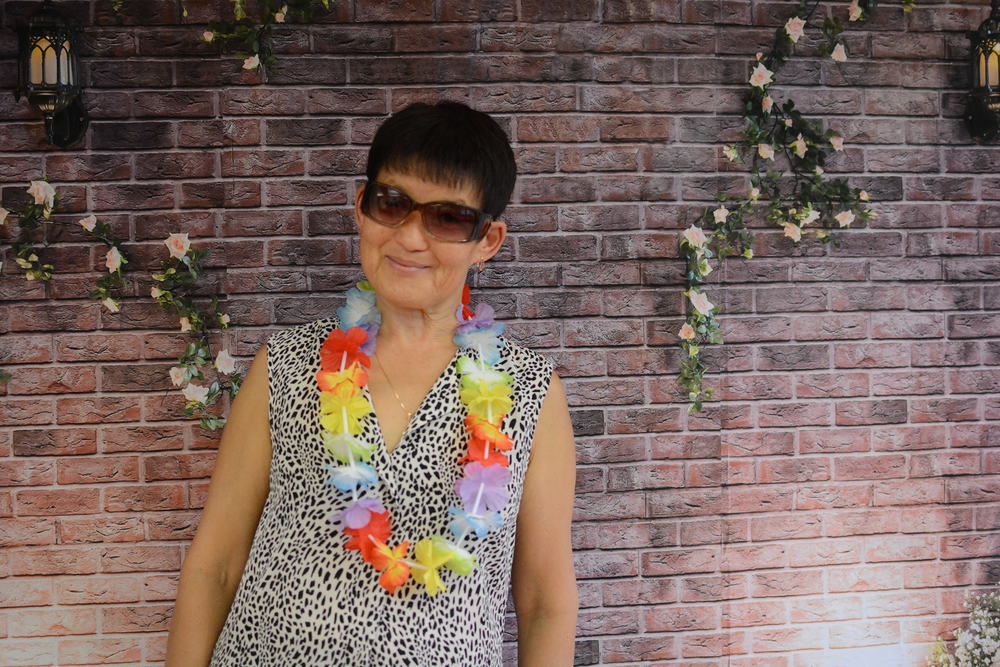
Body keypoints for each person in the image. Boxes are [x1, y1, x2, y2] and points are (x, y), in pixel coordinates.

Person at [164, 101, 578, 666]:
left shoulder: (528, 391)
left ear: (488, 240)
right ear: (362, 207)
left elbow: (544, 602)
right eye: (393, 204)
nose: (411, 238)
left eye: (448, 218)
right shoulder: (284, 366)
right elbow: (216, 565)